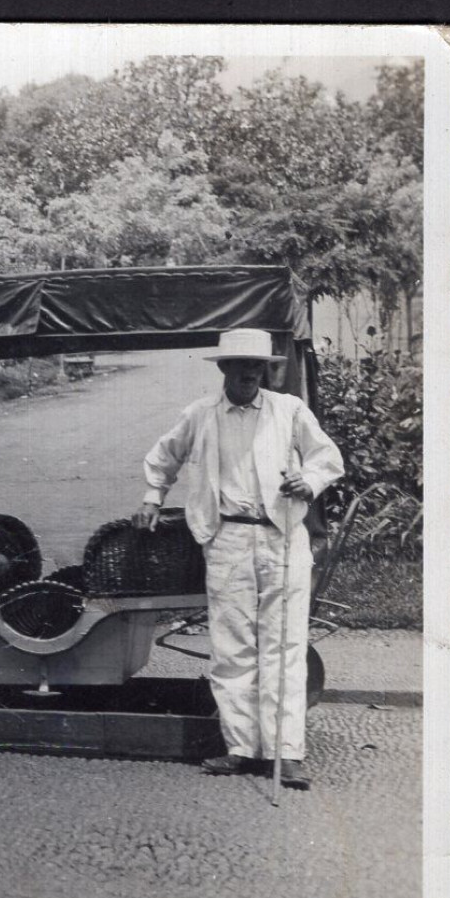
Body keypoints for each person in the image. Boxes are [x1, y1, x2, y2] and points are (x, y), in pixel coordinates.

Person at [136, 328, 344, 790]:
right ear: (224, 369)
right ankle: (240, 748)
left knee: (285, 646)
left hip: (282, 538)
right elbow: (164, 456)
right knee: (232, 647)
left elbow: (327, 457)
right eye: (240, 365)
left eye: (258, 365)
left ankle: (285, 754)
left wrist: (308, 481)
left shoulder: (288, 411)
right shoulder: (201, 415)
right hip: (227, 537)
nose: (250, 373)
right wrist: (153, 496)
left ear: (266, 369)